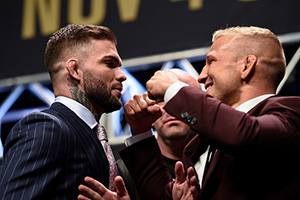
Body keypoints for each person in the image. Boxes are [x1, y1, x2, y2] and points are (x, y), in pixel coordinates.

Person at [119, 26, 300, 199]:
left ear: (246, 66)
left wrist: (173, 89)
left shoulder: (292, 113)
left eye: (211, 61)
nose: (201, 75)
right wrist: (141, 131)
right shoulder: (199, 144)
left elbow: (244, 133)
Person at [0, 24, 127, 199]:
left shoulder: (93, 136)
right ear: (75, 70)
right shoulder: (45, 128)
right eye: (109, 64)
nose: (122, 75)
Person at [117, 69, 200, 200]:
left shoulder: (218, 160)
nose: (170, 109)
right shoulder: (126, 171)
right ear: (146, 107)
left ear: (202, 106)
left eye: (179, 97)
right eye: (161, 100)